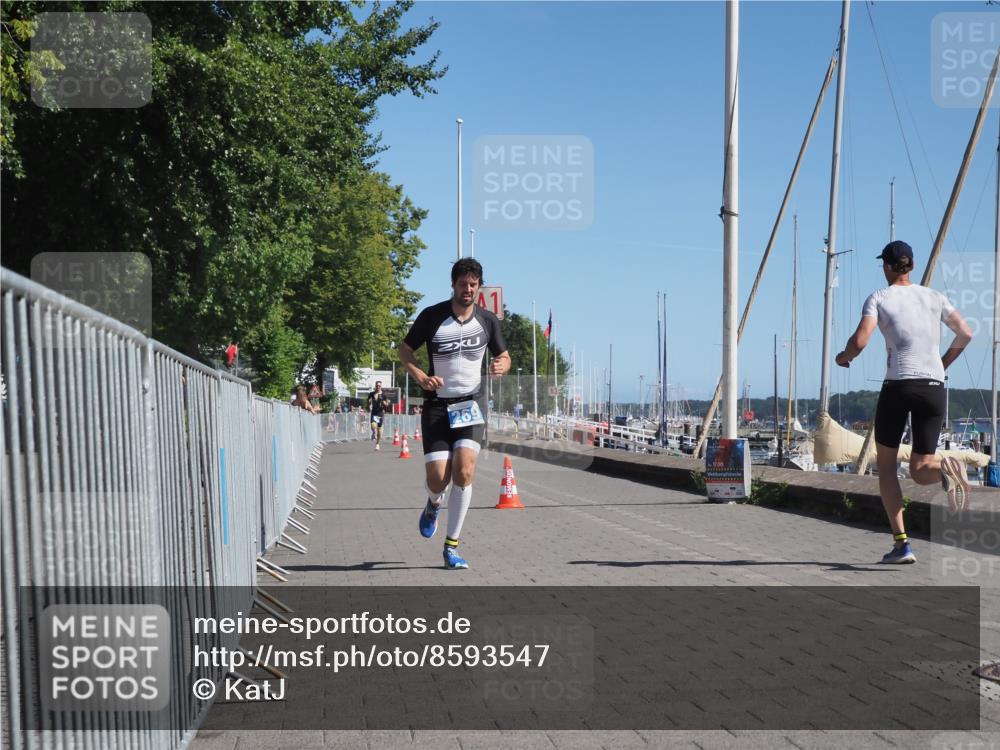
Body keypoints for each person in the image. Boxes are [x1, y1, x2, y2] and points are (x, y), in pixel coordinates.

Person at [836, 240, 973, 564]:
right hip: (934, 387)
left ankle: (901, 544)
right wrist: (941, 365)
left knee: (886, 467)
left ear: (886, 266)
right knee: (921, 468)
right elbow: (965, 333)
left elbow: (860, 340)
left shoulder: (880, 297)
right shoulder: (934, 296)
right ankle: (948, 468)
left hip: (898, 386)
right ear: (910, 265)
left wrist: (844, 357)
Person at [398, 258, 511, 569]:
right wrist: (420, 376)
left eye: (473, 284)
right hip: (437, 405)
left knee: (463, 472)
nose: (468, 289)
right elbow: (404, 349)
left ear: (479, 286)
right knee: (438, 479)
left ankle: (452, 547)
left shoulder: (488, 321)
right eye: (463, 284)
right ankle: (434, 504)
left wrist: (503, 365)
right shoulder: (433, 316)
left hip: (471, 405)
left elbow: (504, 355)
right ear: (453, 284)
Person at [367, 381, 391, 450]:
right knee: (373, 425)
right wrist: (369, 404)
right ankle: (373, 433)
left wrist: (384, 402)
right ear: (375, 386)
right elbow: (368, 402)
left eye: (379, 386)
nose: (378, 387)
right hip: (374, 412)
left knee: (379, 431)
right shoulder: (371, 394)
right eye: (377, 385)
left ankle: (377, 444)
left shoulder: (384, 395)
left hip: (380, 413)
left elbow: (387, 404)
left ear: (381, 387)